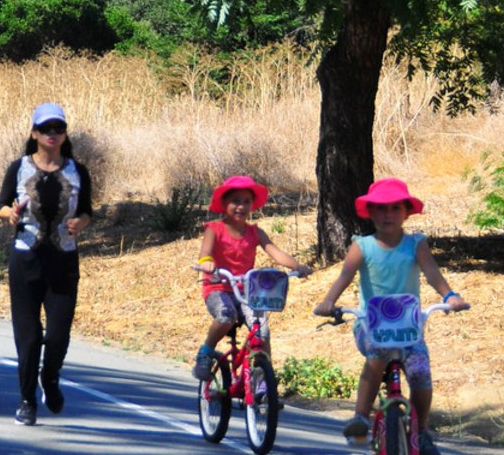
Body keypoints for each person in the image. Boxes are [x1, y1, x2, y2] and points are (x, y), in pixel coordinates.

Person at [312, 178, 470, 455]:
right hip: (370, 325)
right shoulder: (362, 246)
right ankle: (361, 417)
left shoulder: (415, 244)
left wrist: (450, 296)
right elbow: (344, 277)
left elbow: (432, 273)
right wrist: (329, 302)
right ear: (370, 212)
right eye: (381, 209)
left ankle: (422, 431)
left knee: (421, 374)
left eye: (395, 208)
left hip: (408, 326)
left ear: (406, 212)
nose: (388, 215)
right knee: (377, 355)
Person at [0, 102, 94, 425]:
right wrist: (8, 214)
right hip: (26, 259)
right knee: (28, 337)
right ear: (34, 133)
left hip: (63, 260)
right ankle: (27, 400)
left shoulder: (78, 171)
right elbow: (0, 206)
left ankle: (50, 377)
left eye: (59, 128)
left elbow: (87, 211)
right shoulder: (18, 167)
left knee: (58, 335)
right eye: (46, 128)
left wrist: (81, 223)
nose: (53, 134)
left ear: (65, 134)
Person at [192, 175, 312, 379]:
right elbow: (205, 253)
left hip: (246, 290)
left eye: (246, 201)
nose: (241, 206)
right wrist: (207, 263)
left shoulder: (255, 232)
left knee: (262, 330)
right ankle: (205, 352)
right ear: (224, 204)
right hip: (218, 287)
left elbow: (275, 252)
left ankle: (264, 376)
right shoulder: (214, 229)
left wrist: (297, 266)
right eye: (235, 201)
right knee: (225, 315)